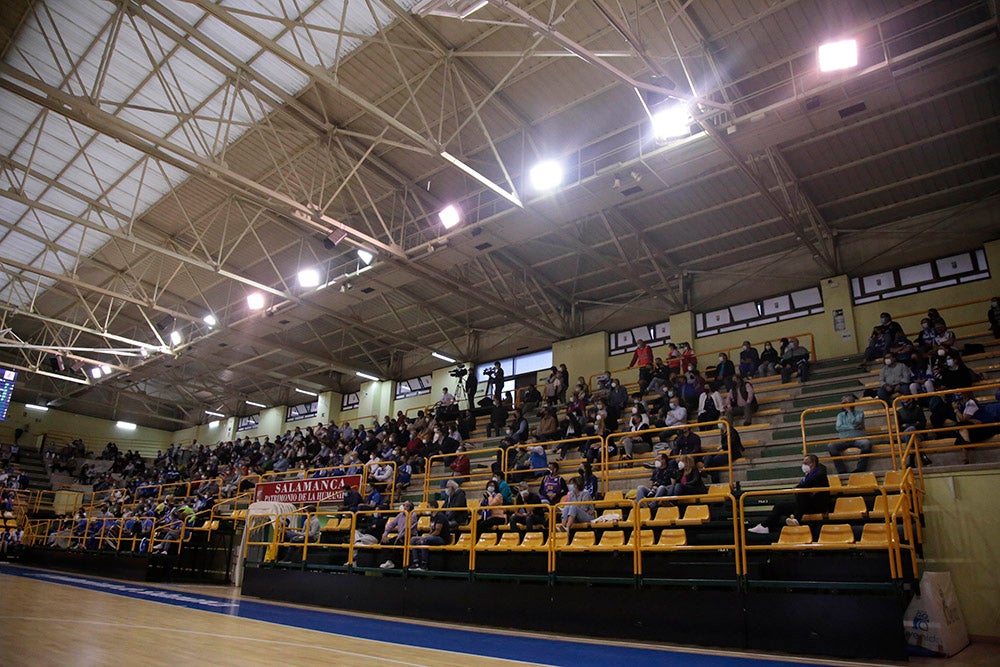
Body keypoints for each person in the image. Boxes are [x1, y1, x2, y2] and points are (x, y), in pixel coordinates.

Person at [748, 455, 830, 534]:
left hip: (818, 506)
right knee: (780, 506)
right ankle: (766, 527)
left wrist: (798, 488)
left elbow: (804, 486)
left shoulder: (820, 474)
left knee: (801, 492)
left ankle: (796, 518)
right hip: (805, 506)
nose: (803, 465)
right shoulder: (809, 475)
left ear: (813, 464)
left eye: (806, 463)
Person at [828, 394, 872, 475]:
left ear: (852, 403)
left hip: (858, 438)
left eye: (846, 403)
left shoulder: (860, 413)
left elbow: (856, 422)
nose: (844, 405)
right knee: (831, 446)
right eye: (843, 403)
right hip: (844, 439)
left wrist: (850, 412)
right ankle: (841, 470)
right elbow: (838, 427)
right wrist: (853, 427)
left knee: (867, 443)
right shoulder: (840, 415)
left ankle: (860, 468)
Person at [703, 419, 744, 483]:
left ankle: (712, 477)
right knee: (708, 455)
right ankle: (705, 468)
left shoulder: (732, 431)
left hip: (733, 452)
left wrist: (722, 446)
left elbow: (732, 443)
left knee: (714, 461)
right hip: (725, 451)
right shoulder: (723, 432)